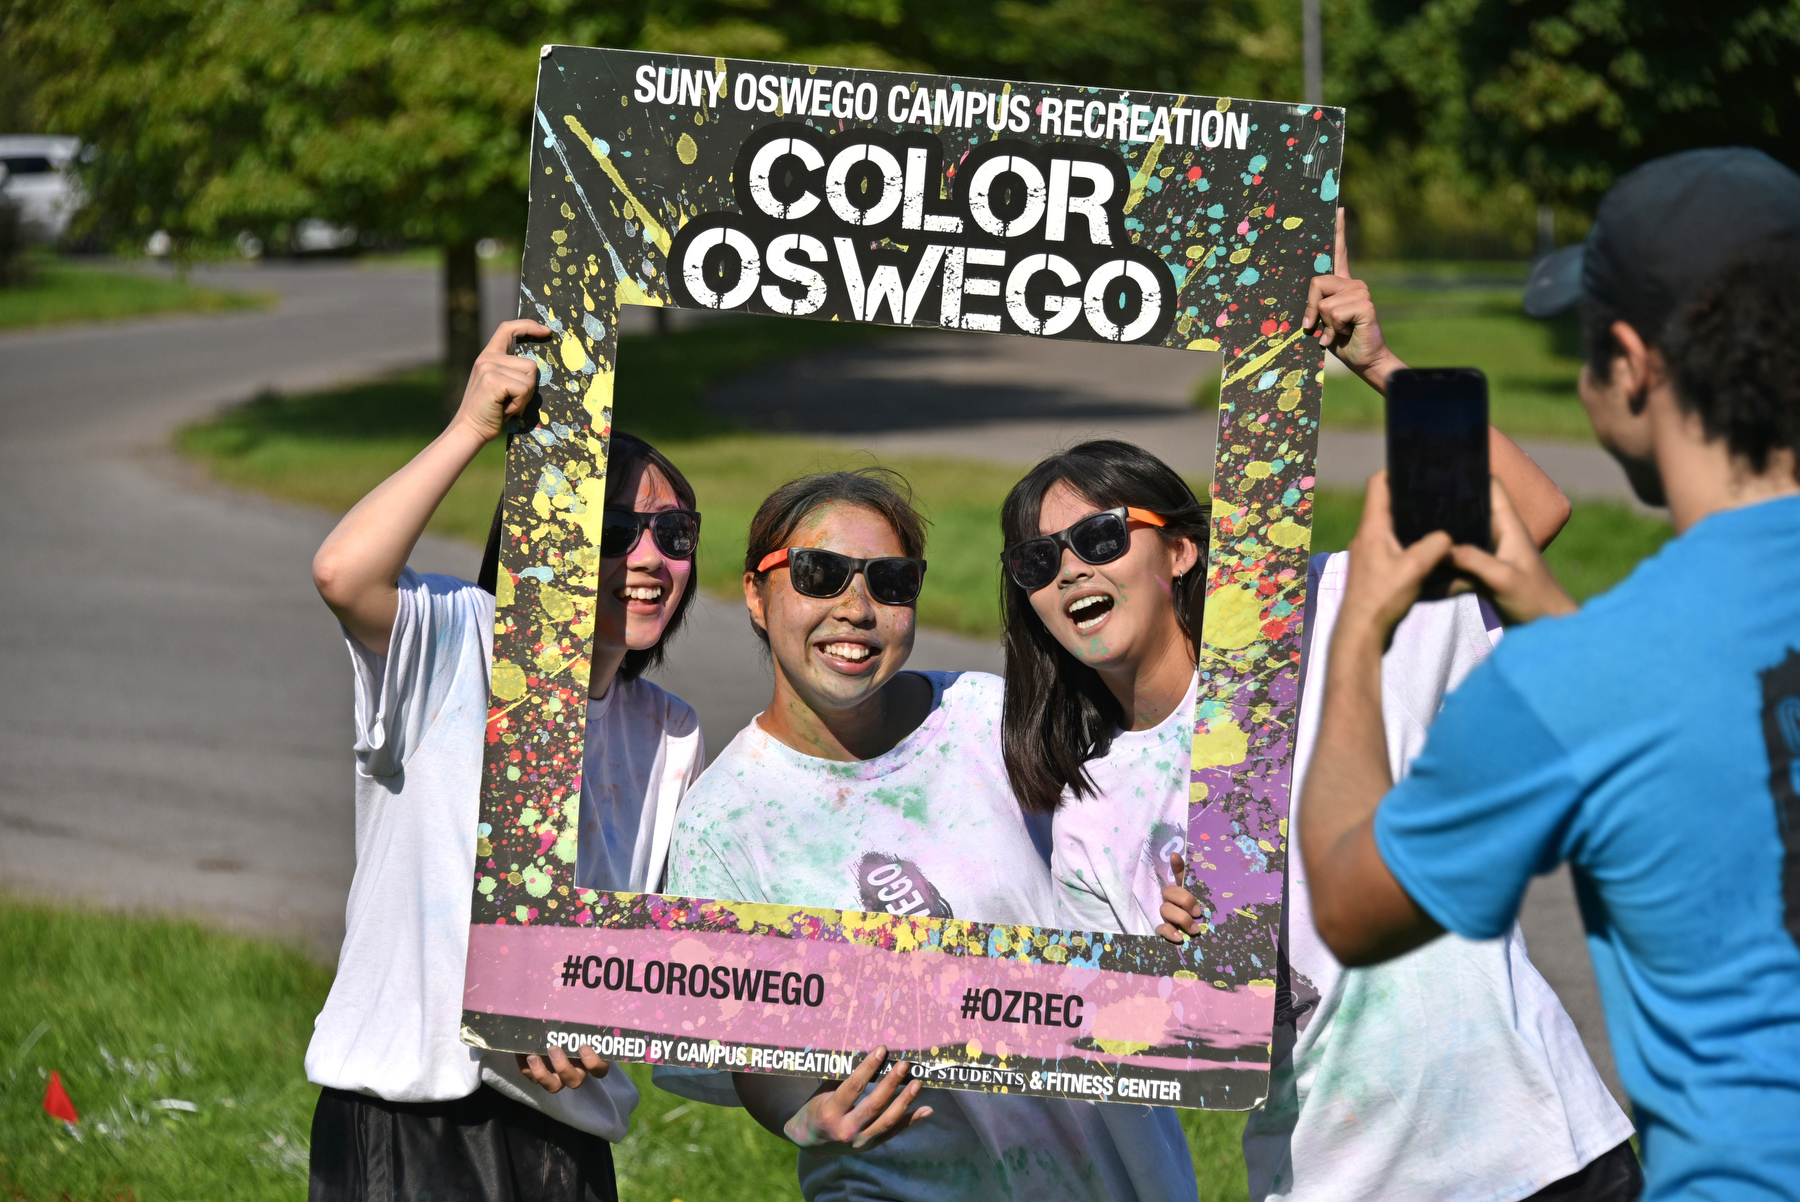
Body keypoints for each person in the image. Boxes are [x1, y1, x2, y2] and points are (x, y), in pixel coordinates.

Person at [1005, 240, 1635, 1201]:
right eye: (1038, 564)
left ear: (1177, 550)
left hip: (1532, 1150)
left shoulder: (1321, 610)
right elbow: (1180, 1070)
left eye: (1096, 538)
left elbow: (1532, 513)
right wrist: (1184, 981)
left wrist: (1381, 364)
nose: (1072, 571)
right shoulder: (1092, 817)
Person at [1298, 148, 1800, 1200]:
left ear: (1630, 362)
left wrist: (1356, 631)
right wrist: (1387, 363)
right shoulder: (1604, 670)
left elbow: (1349, 901)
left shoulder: (1577, 683)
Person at [659, 467, 1198, 1202]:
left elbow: (1120, 851)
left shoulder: (991, 720)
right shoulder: (722, 821)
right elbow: (735, 1041)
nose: (856, 608)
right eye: (820, 574)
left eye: (890, 581)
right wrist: (799, 1116)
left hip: (1106, 1170)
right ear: (756, 595)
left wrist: (1185, 903)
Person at [303, 319, 707, 1201]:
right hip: (412, 1115)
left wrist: (612, 1009)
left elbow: (638, 935)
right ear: (543, 533)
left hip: (568, 1128)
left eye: (675, 534)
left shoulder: (669, 729)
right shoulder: (459, 641)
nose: (648, 558)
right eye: (614, 526)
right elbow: (344, 571)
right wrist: (471, 429)